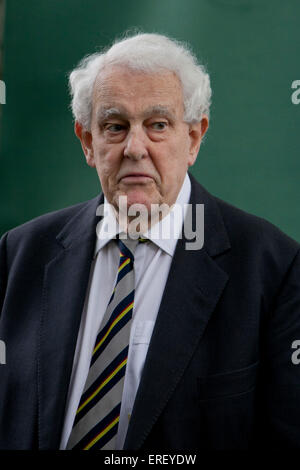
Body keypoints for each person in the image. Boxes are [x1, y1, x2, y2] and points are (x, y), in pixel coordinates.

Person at [0, 32, 300, 451]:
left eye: (158, 125)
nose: (134, 148)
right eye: (114, 126)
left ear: (194, 138)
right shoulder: (20, 254)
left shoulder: (273, 268)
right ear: (88, 141)